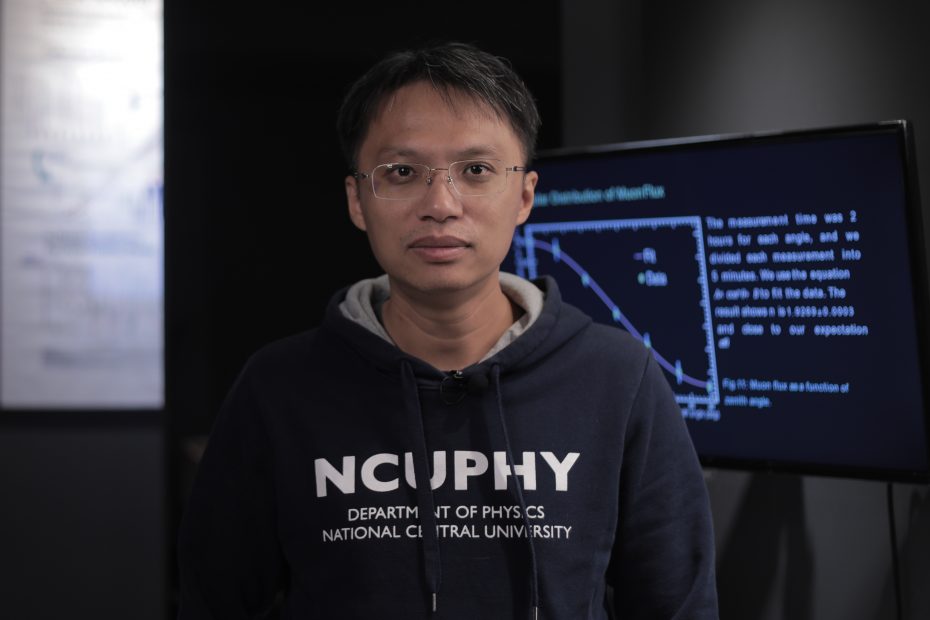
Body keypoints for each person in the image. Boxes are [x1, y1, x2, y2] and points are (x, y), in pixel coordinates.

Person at [177, 40, 719, 619]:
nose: (440, 204)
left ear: (525, 196)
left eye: (476, 171)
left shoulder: (618, 378)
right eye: (402, 172)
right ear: (358, 200)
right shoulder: (278, 388)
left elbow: (678, 606)